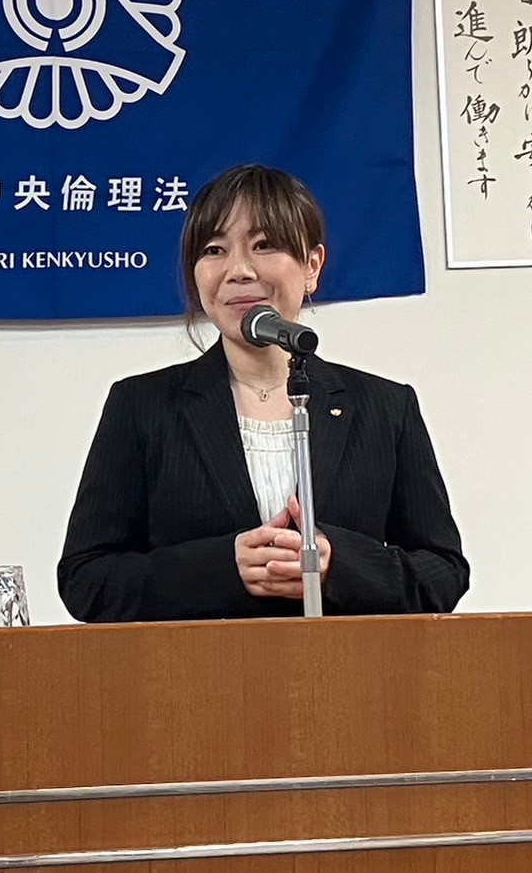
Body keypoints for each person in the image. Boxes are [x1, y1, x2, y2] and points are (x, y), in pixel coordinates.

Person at [57, 164, 468, 622]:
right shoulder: (142, 406)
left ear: (312, 266)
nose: (238, 270)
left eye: (264, 245)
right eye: (214, 250)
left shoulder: (385, 407)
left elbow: (443, 573)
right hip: (196, 667)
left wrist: (337, 566)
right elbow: (86, 580)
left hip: (350, 665)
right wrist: (222, 568)